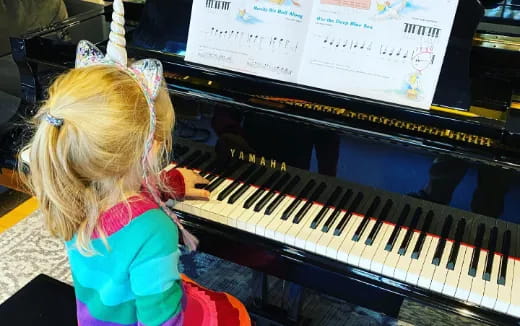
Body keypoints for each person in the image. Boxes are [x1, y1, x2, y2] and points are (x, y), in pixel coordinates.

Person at [18, 1, 251, 325]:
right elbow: (161, 321)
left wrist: (168, 184)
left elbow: (125, 200)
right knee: (235, 311)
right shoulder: (152, 230)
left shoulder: (74, 186)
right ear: (151, 147)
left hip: (100, 316)